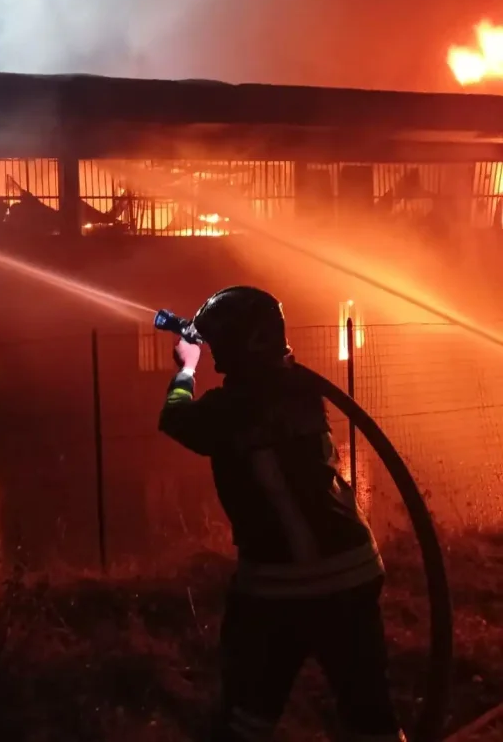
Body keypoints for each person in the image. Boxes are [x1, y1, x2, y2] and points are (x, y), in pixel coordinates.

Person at [158, 286, 405, 742]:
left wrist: (186, 372)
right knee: (368, 711)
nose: (216, 354)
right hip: (355, 569)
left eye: (220, 344)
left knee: (247, 715)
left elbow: (175, 419)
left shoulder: (231, 408)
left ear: (243, 343)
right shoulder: (304, 390)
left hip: (279, 583)